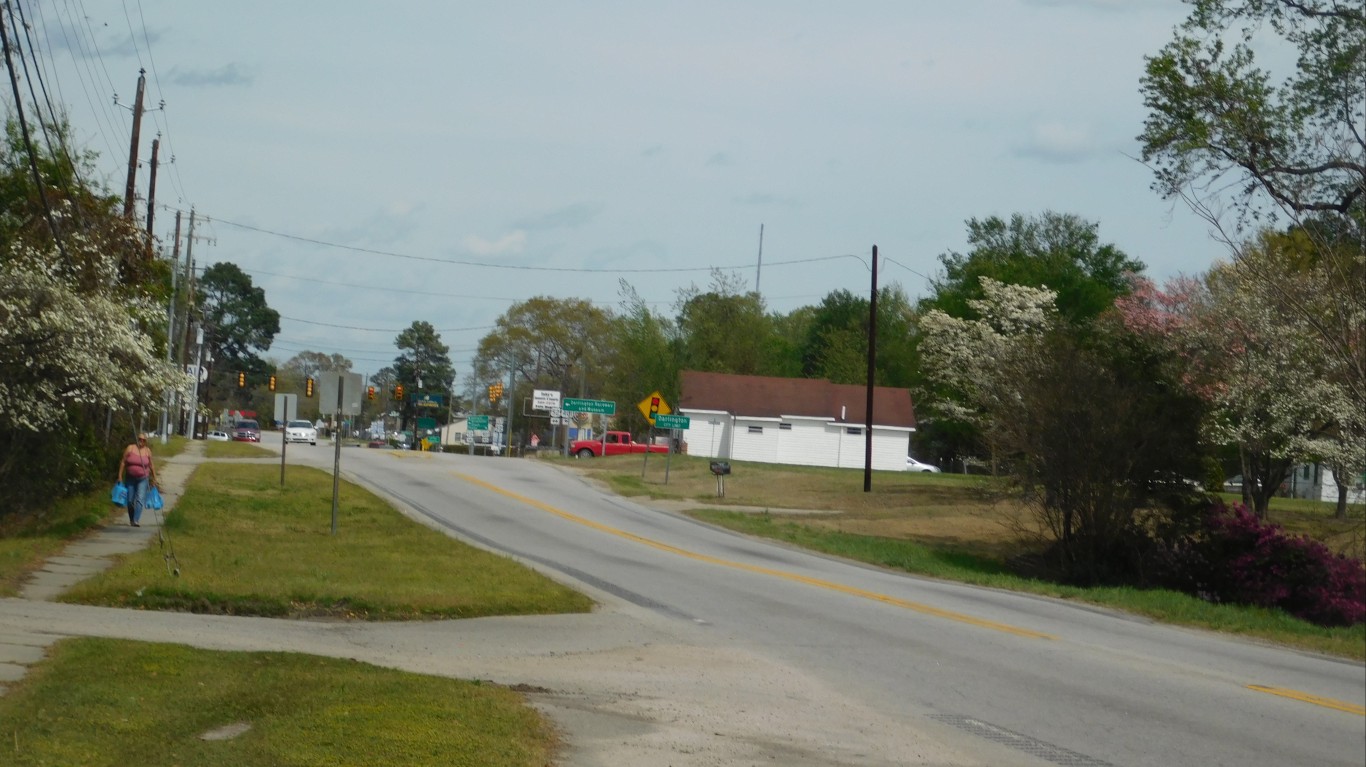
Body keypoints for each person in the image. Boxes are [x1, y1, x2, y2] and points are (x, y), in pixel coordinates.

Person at [117, 433, 158, 527]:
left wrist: (154, 478)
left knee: (140, 499)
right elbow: (123, 462)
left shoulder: (147, 451)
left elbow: (151, 465)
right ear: (137, 439)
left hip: (143, 478)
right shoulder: (130, 448)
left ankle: (136, 520)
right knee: (130, 501)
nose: (141, 441)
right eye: (140, 439)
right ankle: (132, 519)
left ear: (146, 442)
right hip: (130, 478)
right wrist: (119, 475)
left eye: (144, 440)